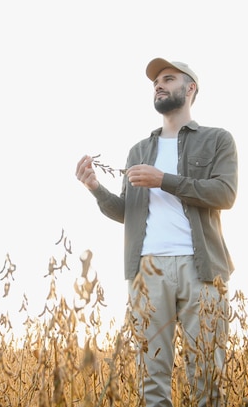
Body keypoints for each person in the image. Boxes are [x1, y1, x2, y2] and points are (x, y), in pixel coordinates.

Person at [75, 58, 237, 407]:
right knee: (151, 381)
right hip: (146, 273)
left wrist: (164, 180)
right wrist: (95, 189)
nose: (159, 85)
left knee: (207, 380)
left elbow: (225, 194)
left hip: (203, 270)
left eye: (168, 78)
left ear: (190, 88)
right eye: (155, 82)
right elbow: (126, 212)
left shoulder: (217, 140)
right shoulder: (139, 151)